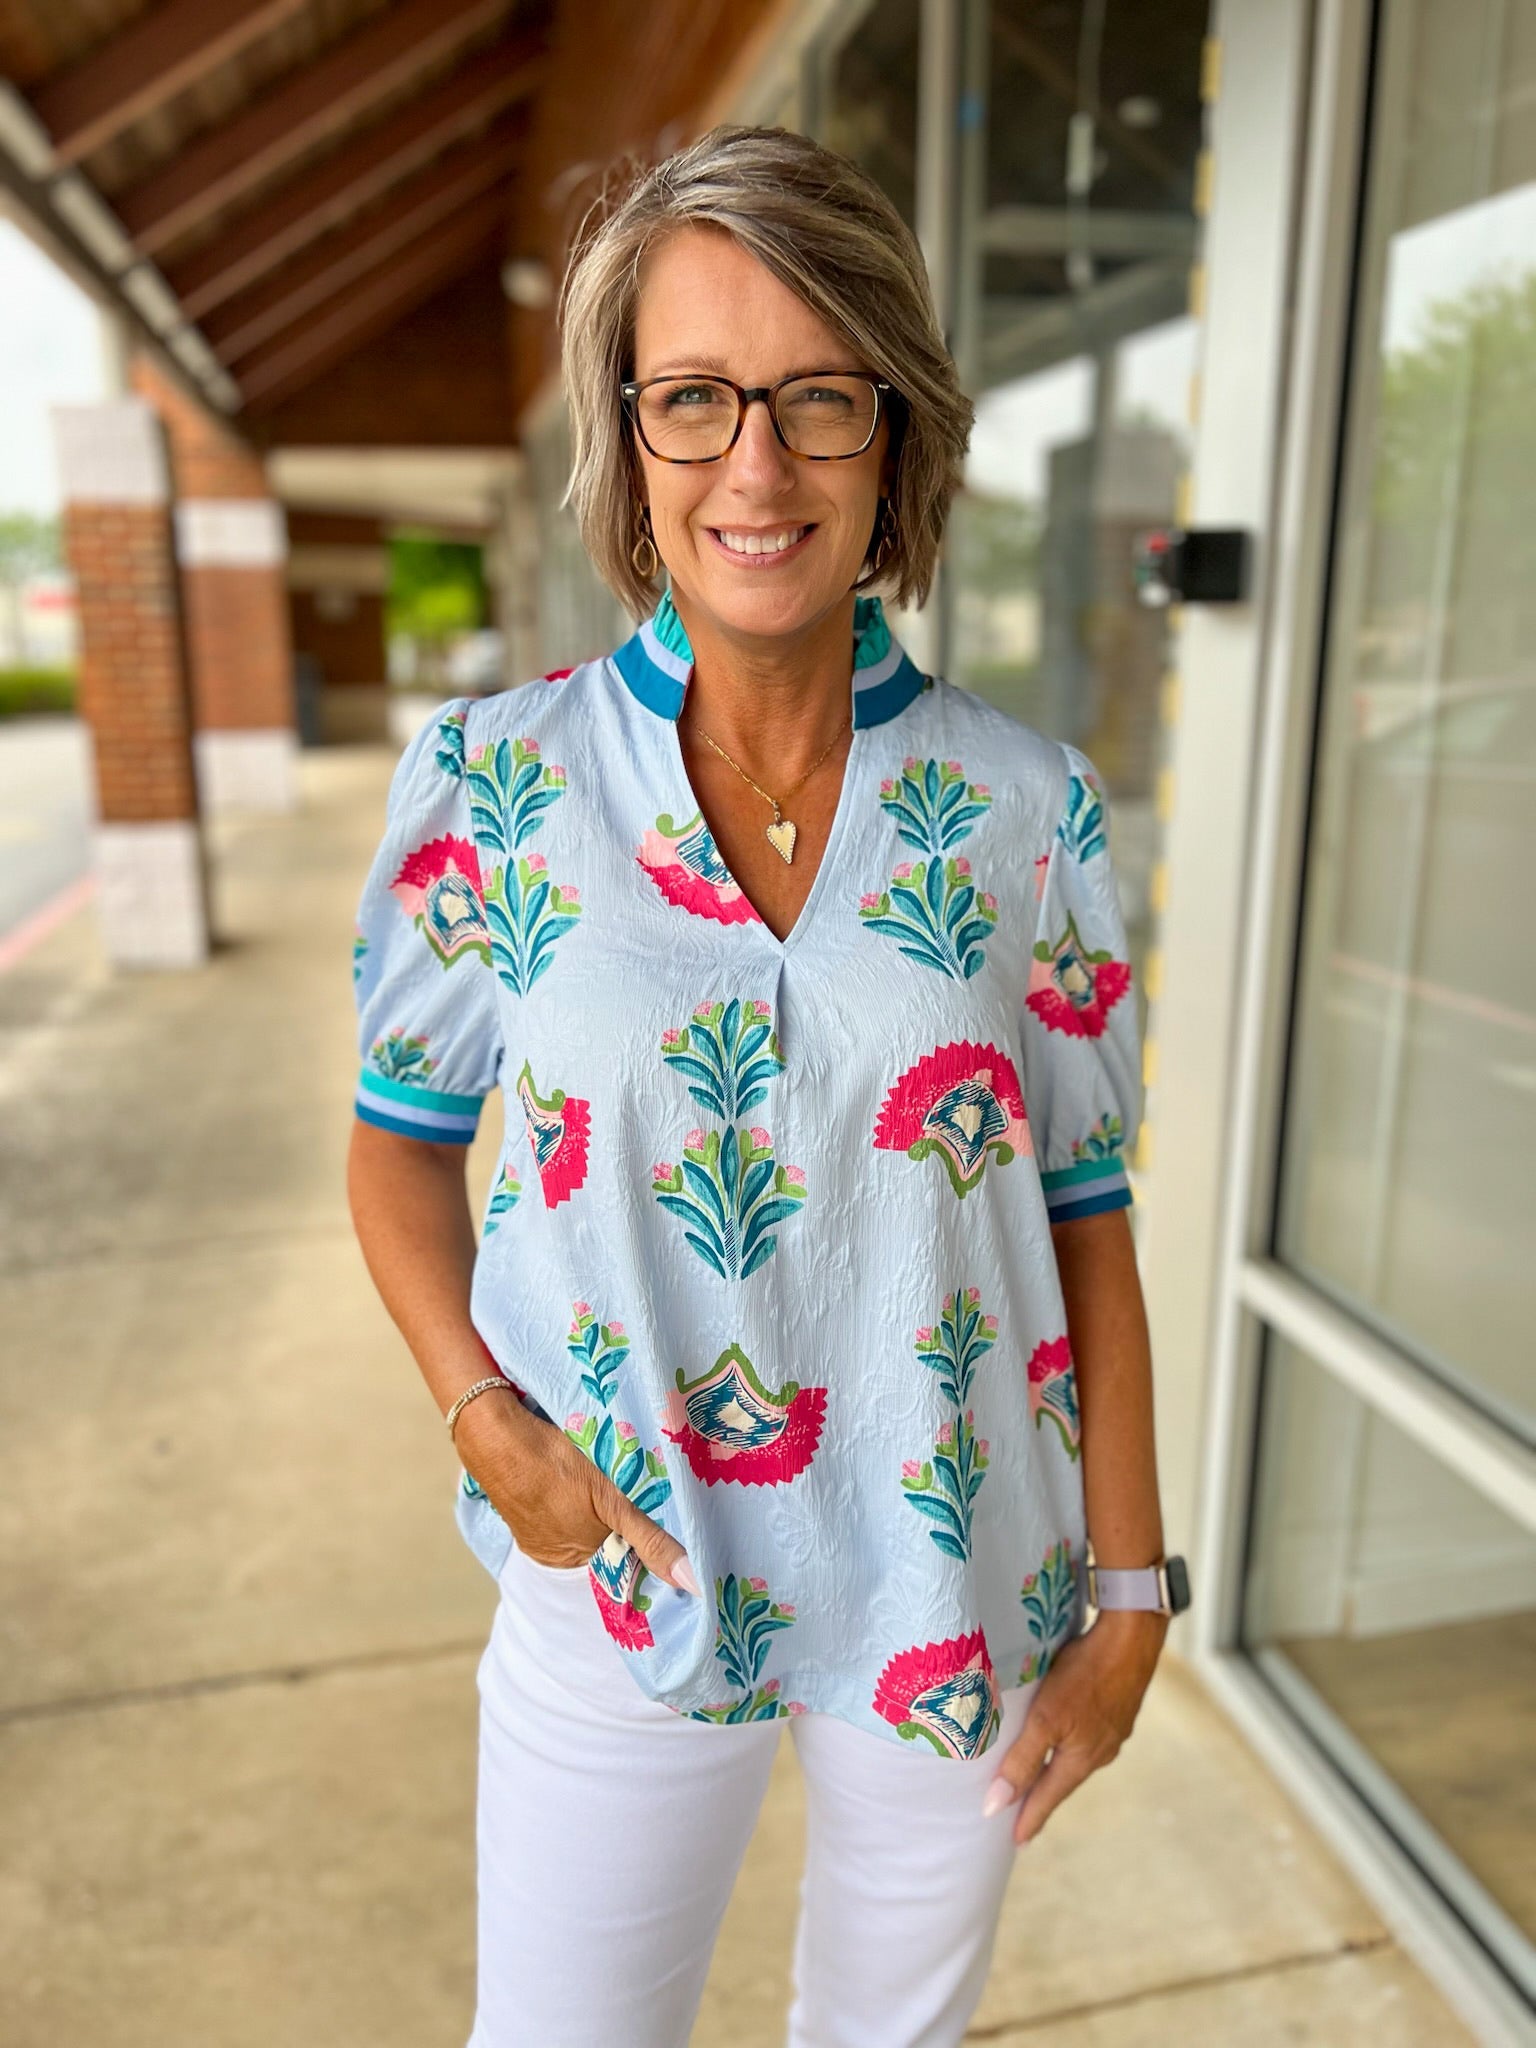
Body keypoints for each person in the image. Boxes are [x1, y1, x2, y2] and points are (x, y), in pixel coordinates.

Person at [347, 123, 1176, 2048]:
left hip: (956, 1577)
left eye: (819, 398)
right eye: (696, 398)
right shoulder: (498, 789)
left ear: (897, 436)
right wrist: (489, 1426)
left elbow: (1088, 1218)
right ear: (627, 441)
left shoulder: (1024, 812)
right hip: (619, 1562)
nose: (758, 464)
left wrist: (1129, 1596)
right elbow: (398, 1159)